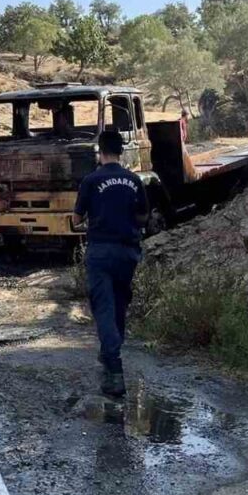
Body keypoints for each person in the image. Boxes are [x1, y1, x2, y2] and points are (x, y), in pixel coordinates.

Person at [74, 129, 149, 398]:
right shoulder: (134, 180)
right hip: (127, 253)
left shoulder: (91, 181)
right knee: (119, 305)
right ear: (121, 151)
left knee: (103, 308)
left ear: (100, 151)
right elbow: (143, 218)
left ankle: (114, 370)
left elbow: (76, 219)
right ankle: (109, 353)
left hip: (100, 253)